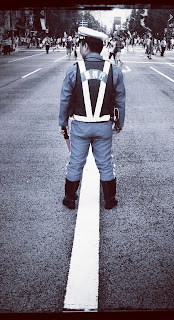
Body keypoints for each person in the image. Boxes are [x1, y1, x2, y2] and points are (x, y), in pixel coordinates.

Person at [59, 26, 126, 210]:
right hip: (104, 125)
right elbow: (120, 100)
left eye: (81, 45)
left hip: (80, 125)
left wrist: (63, 123)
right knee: (105, 162)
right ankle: (110, 199)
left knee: (76, 162)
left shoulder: (74, 70)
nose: (79, 49)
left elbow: (65, 99)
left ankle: (70, 199)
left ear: (86, 46)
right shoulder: (114, 71)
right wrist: (119, 123)